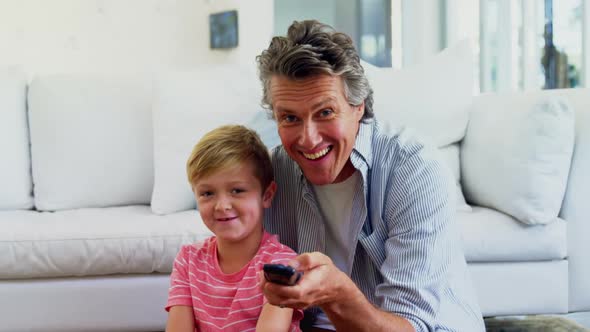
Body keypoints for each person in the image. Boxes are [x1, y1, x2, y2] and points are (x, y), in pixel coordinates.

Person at [256, 20, 486, 331]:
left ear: (358, 107)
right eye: (290, 118)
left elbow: (410, 325)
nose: (308, 139)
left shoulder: (413, 168)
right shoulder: (274, 172)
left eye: (325, 112)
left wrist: (337, 293)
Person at [165, 125, 303, 332]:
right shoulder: (188, 260)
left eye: (237, 190)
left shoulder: (281, 265)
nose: (222, 206)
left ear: (266, 195)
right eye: (207, 193)